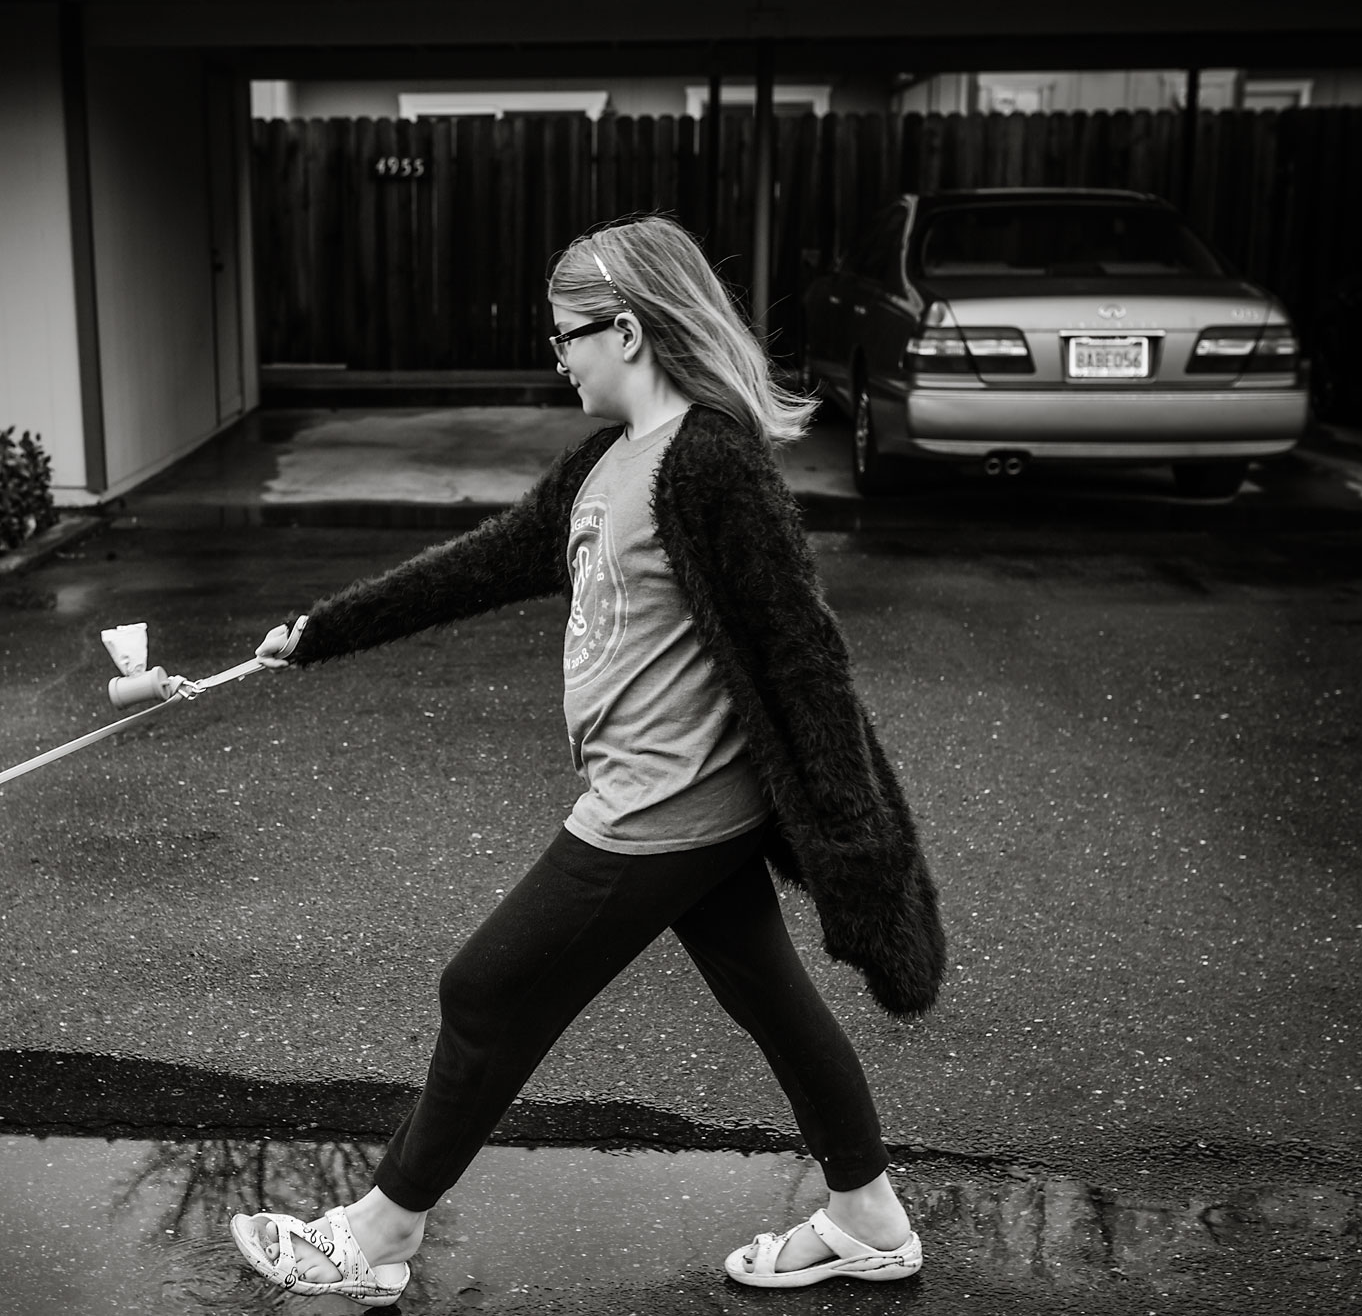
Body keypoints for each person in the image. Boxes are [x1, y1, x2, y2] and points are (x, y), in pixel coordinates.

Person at [226, 215, 946, 1307]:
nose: (556, 357)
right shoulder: (609, 463)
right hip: (677, 812)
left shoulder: (709, 459)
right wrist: (323, 628)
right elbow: (485, 562)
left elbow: (799, 651)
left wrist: (855, 841)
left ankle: (374, 1237)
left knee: (481, 988)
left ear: (625, 329)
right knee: (771, 1000)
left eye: (565, 335)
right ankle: (868, 1216)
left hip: (664, 808)